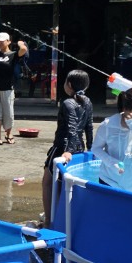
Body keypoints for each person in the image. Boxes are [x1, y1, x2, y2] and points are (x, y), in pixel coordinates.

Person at [40, 70, 94, 228]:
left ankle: (49, 221)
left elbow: (71, 129)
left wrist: (68, 150)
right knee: (65, 184)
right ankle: (60, 218)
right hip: (79, 147)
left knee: (48, 182)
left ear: (69, 85)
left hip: (62, 148)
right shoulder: (88, 102)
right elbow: (89, 127)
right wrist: (90, 149)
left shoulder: (67, 103)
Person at [91, 87, 132, 195]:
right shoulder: (108, 124)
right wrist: (111, 162)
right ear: (126, 110)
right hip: (110, 181)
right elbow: (95, 148)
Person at [0, 32, 28, 146]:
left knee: (8, 113)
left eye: (2, 41)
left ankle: (9, 134)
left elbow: (23, 49)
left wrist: (19, 42)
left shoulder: (13, 55)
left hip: (7, 88)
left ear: (9, 41)